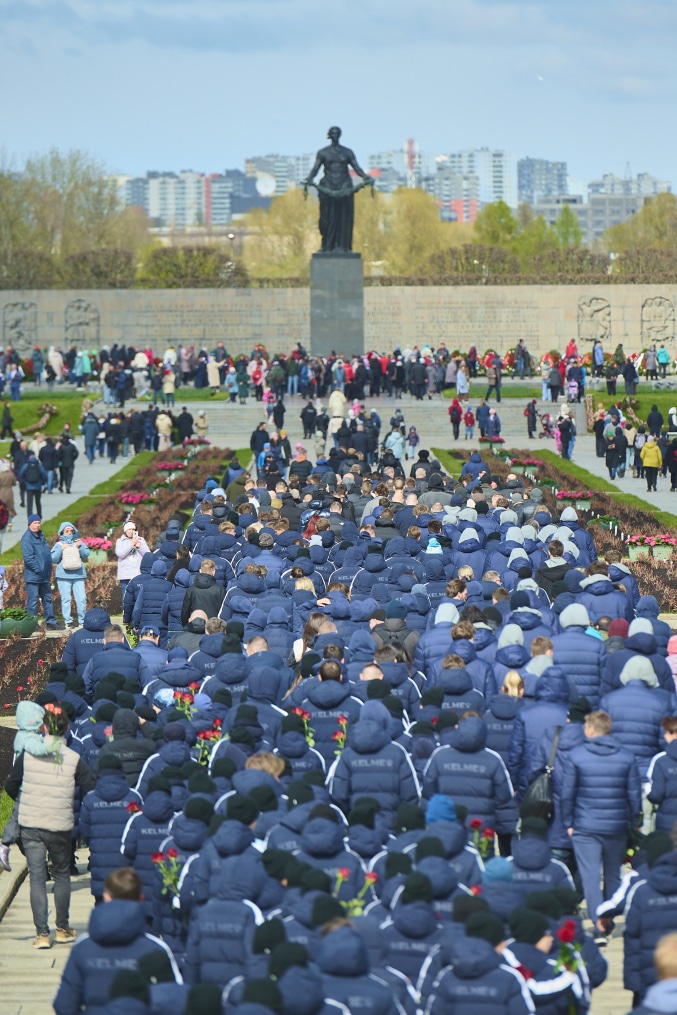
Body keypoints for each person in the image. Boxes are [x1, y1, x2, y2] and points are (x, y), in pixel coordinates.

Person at [4, 703, 96, 947]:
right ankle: (63, 928)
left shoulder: (28, 754)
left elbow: (11, 786)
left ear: (44, 728)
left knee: (36, 878)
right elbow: (91, 789)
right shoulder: (74, 758)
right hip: (59, 823)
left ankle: (42, 934)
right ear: (66, 729)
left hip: (32, 823)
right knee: (62, 876)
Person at [560, 710, 642, 940]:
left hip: (585, 825)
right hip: (616, 826)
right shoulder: (626, 756)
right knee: (613, 875)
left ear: (592, 730)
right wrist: (634, 822)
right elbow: (633, 794)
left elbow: (568, 793)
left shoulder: (577, 755)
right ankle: (608, 919)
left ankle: (598, 925)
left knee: (590, 877)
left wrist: (568, 821)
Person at [303, 126, 374, 252]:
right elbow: (315, 169)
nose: (335, 135)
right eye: (333, 133)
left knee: (343, 216)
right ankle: (327, 246)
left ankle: (343, 246)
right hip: (328, 185)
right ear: (329, 135)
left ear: (340, 135)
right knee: (327, 217)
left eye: (337, 133)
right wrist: (309, 178)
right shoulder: (323, 152)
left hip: (344, 186)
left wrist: (365, 177)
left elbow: (356, 167)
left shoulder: (347, 152)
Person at [51, 521, 89, 630]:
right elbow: (54, 559)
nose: (69, 533)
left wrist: (79, 546)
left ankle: (82, 620)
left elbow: (86, 554)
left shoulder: (78, 542)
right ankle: (68, 621)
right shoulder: (58, 545)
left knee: (81, 598)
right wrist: (61, 549)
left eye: (71, 531)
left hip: (78, 575)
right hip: (63, 576)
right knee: (66, 599)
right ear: (62, 533)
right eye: (66, 531)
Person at [21, 513, 57, 627]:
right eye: (35, 523)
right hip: (34, 576)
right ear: (29, 524)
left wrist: (46, 570)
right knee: (33, 601)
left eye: (38, 523)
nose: (37, 525)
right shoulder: (27, 538)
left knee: (47, 599)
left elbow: (45, 554)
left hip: (43, 575)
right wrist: (39, 569)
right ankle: (32, 624)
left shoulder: (41, 536)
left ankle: (51, 622)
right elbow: (28, 558)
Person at [115, 521, 151, 599]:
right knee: (126, 596)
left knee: (139, 596)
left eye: (133, 529)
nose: (131, 531)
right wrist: (131, 545)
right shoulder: (120, 541)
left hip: (138, 573)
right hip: (125, 574)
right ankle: (127, 611)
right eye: (129, 529)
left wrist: (139, 547)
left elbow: (148, 555)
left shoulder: (141, 540)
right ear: (125, 531)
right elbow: (120, 554)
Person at [19, 452, 47, 516]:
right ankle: (39, 514)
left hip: (29, 487)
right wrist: (42, 481)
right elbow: (44, 475)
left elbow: (21, 474)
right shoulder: (39, 466)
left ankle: (29, 515)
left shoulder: (26, 465)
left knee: (29, 502)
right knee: (38, 501)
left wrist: (24, 479)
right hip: (37, 486)